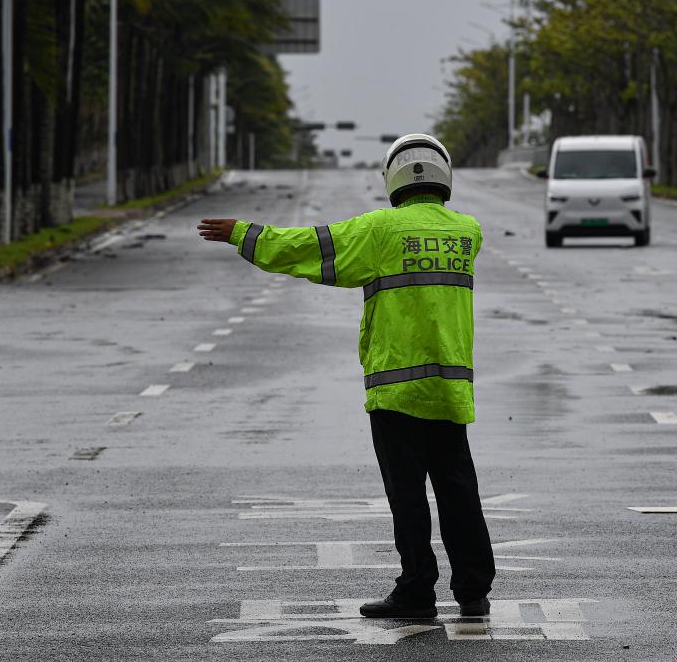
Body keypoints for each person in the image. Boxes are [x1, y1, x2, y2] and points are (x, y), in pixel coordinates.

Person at [197, 133, 495, 619]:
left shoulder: (380, 230)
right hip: (450, 389)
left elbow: (305, 248)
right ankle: (474, 592)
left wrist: (242, 234)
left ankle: (418, 590)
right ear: (444, 174)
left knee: (409, 498)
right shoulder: (468, 232)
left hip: (397, 391)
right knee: (459, 490)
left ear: (393, 177)